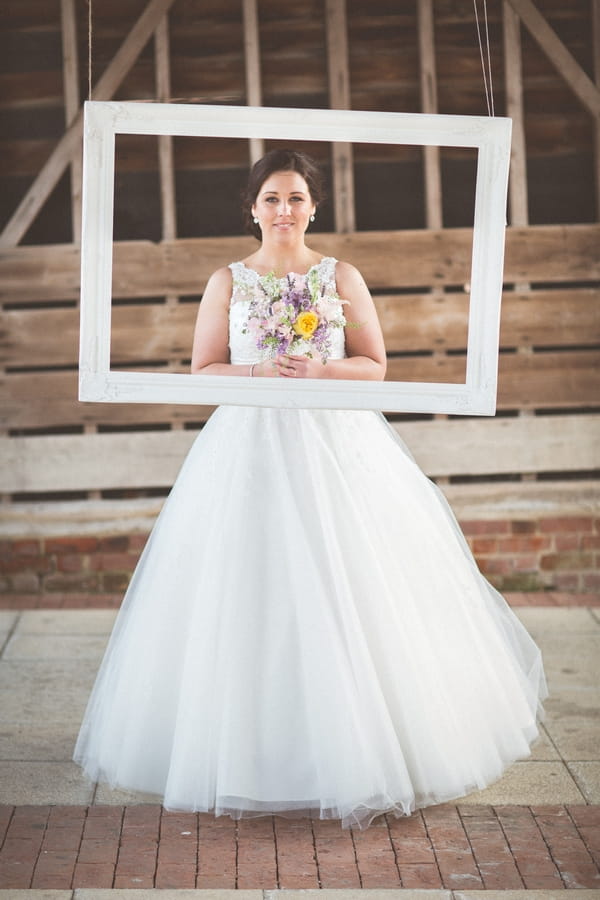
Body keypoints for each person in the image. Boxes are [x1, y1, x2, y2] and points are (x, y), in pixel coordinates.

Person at [74, 149, 547, 829]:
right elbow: (204, 370)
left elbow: (375, 366)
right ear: (252, 208)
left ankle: (362, 748)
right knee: (250, 585)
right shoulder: (227, 281)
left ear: (315, 207)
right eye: (272, 198)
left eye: (296, 198)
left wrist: (321, 368)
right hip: (249, 443)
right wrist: (258, 375)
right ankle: (255, 754)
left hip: (336, 442)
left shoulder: (340, 276)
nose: (284, 210)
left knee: (349, 579)